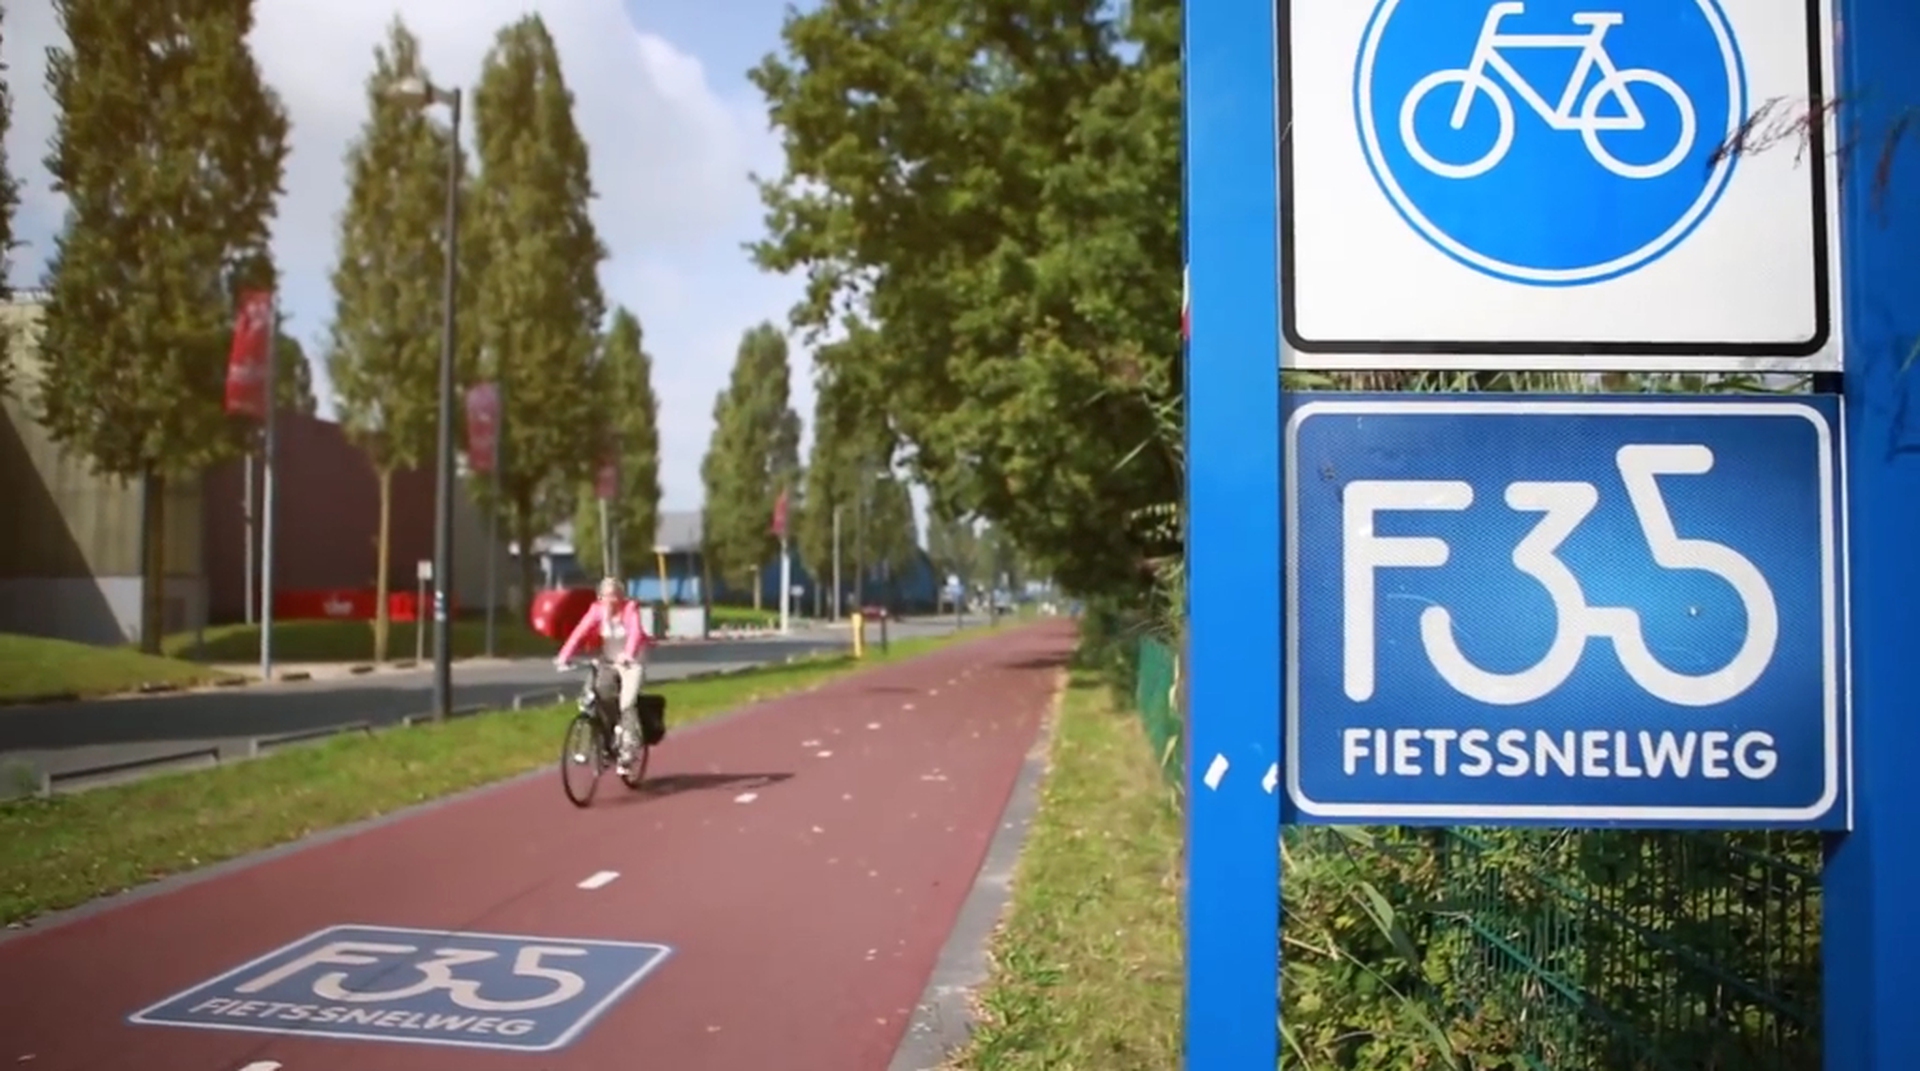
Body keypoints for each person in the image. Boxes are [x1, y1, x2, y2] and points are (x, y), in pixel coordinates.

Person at [554, 576, 654, 775]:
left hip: (632, 661)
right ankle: (607, 740)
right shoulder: (597, 611)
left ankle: (628, 747)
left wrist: (628, 654)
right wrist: (564, 656)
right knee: (599, 696)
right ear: (601, 597)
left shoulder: (630, 609)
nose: (612, 600)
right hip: (609, 660)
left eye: (616, 595)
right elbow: (579, 632)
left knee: (627, 703)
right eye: (607, 596)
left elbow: (635, 633)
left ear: (622, 596)